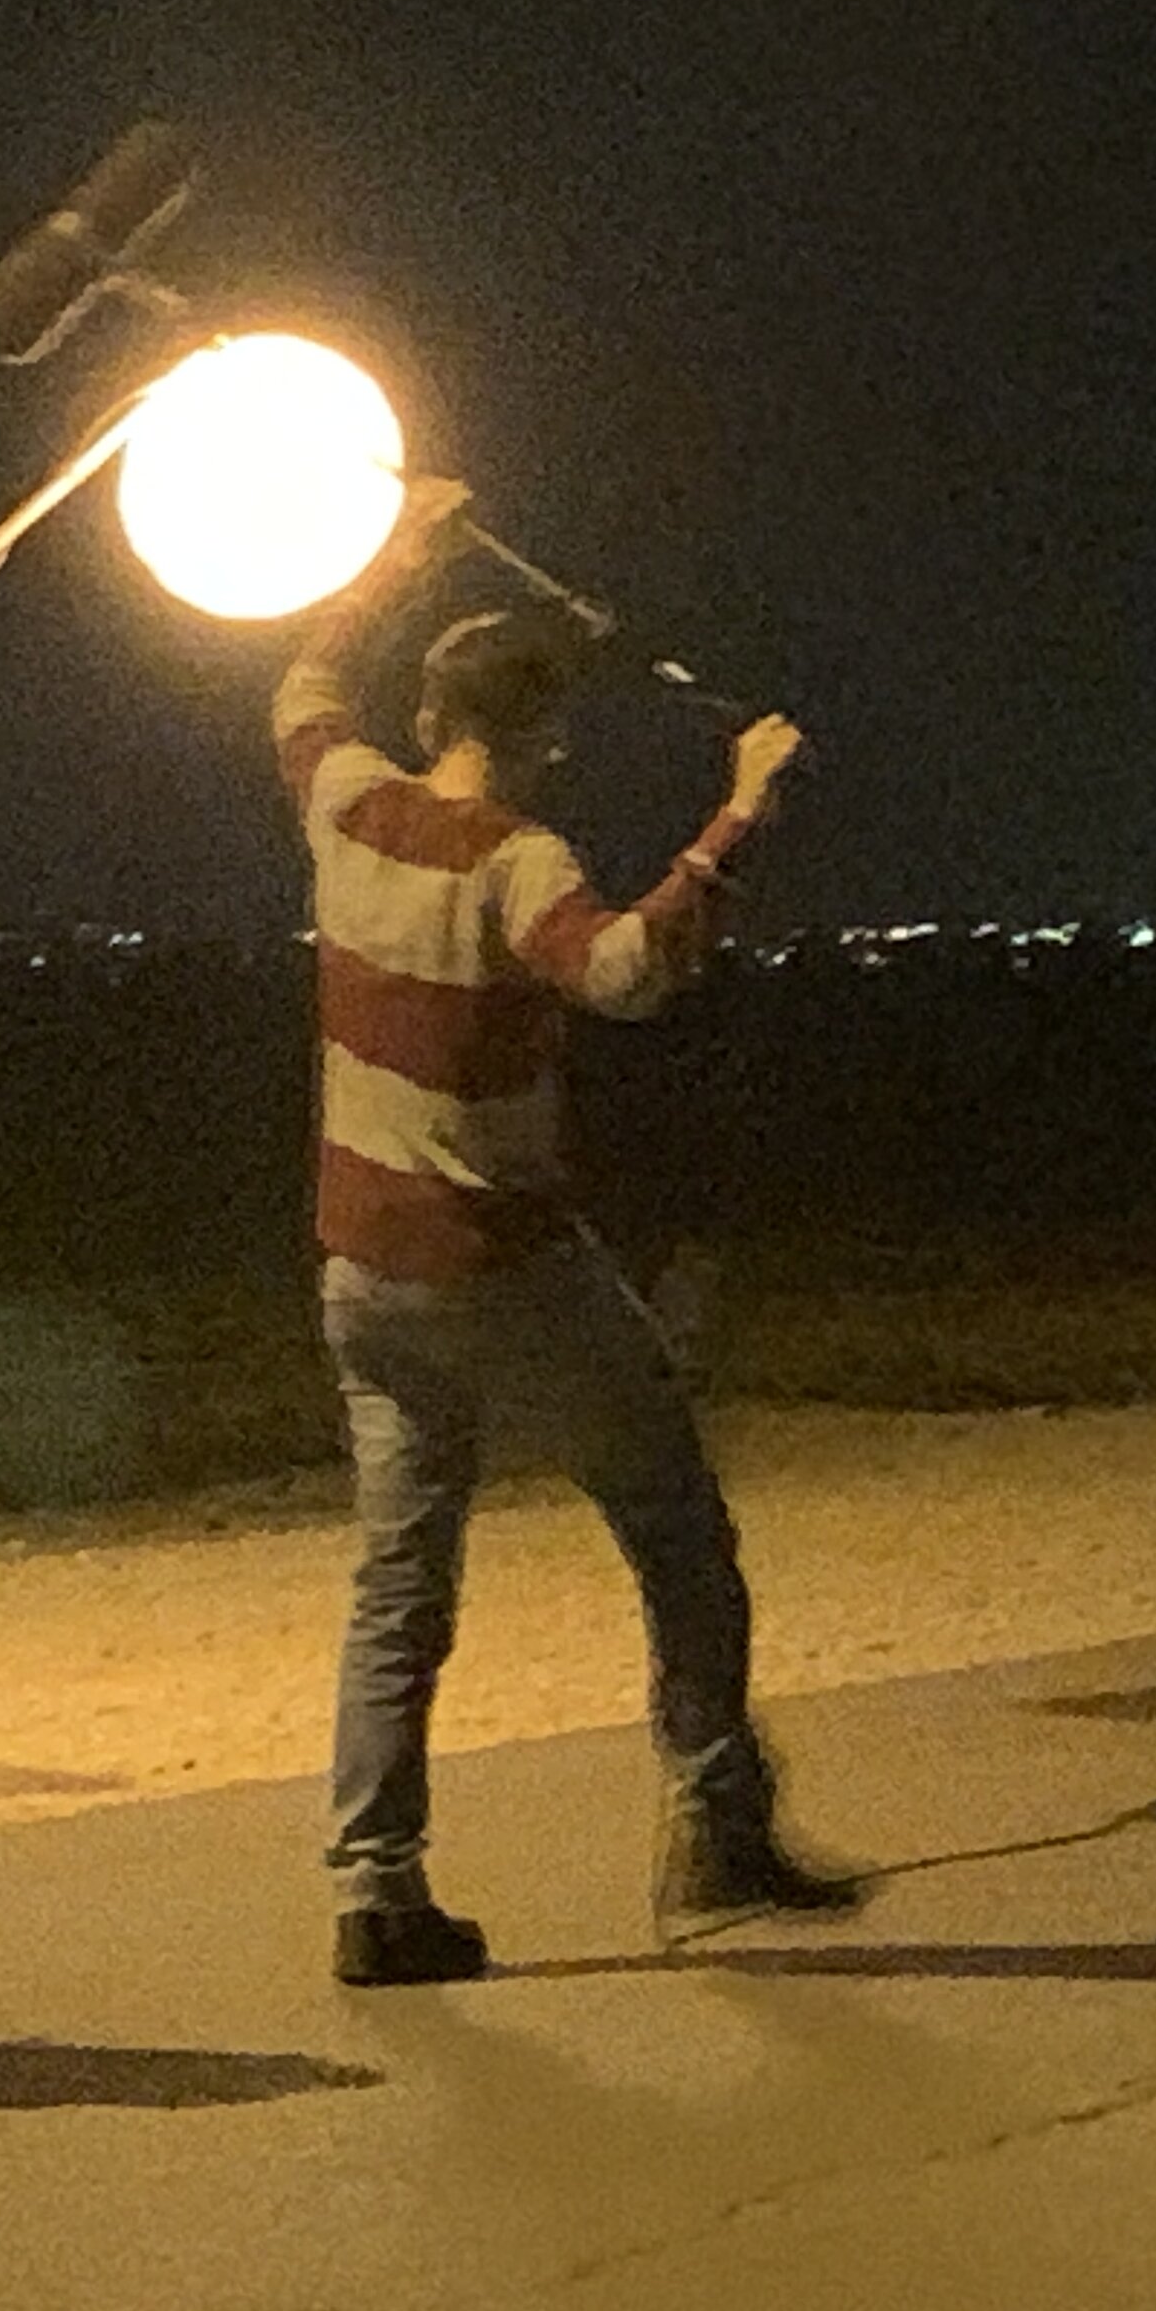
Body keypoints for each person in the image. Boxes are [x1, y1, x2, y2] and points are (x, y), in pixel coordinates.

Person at [276, 482, 853, 1988]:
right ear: (545, 737)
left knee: (398, 1586)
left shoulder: (343, 800)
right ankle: (719, 1820)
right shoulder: (515, 857)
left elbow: (307, 684)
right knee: (677, 1530)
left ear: (428, 710)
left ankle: (376, 1888)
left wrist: (392, 559)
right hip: (508, 1273)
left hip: (362, 1274)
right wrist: (740, 809)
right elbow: (625, 974)